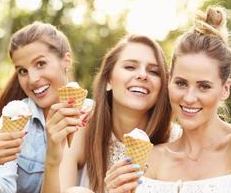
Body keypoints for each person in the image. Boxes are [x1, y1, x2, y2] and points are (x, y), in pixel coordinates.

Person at [106, 6, 231, 193]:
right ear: (169, 81)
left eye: (204, 86)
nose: (189, 98)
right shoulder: (153, 159)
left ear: (225, 89)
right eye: (181, 83)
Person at [41, 34, 176, 193]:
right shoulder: (83, 120)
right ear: (108, 80)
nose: (142, 75)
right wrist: (51, 159)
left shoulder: (174, 140)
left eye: (154, 71)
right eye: (130, 67)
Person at [0, 21, 92, 193]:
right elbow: (2, 186)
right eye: (22, 71)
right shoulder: (15, 117)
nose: (32, 79)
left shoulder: (92, 116)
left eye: (40, 64)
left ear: (66, 61)